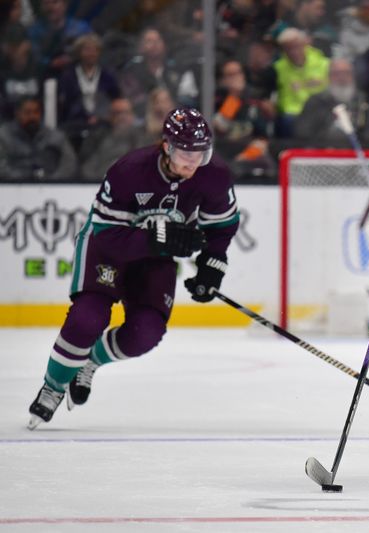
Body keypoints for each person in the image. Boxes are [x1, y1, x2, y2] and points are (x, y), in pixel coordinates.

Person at [27, 107, 240, 429]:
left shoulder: (215, 175)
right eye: (185, 152)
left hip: (153, 258)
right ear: (166, 146)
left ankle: (90, 361)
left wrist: (212, 265)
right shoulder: (129, 171)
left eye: (200, 153)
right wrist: (158, 239)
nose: (193, 162)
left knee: (146, 333)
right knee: (88, 320)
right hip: (106, 248)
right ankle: (53, 387)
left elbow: (221, 226)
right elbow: (108, 234)